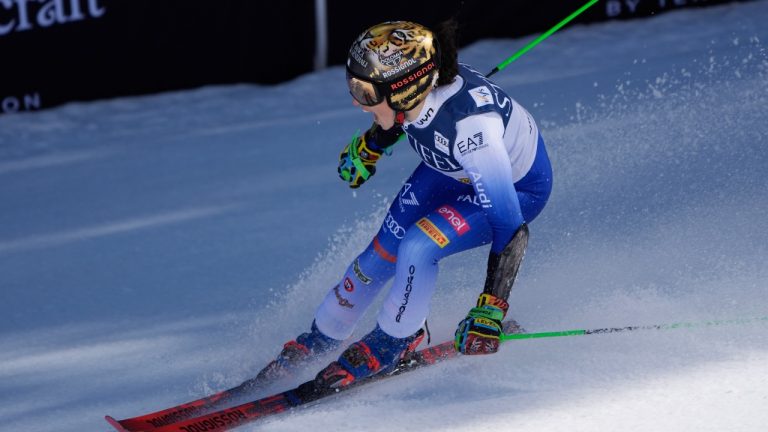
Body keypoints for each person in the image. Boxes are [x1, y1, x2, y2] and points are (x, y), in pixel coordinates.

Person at [257, 20, 552, 390]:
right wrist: (372, 146)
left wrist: (491, 309)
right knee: (384, 247)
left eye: (364, 92)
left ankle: (395, 339)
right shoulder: (411, 97)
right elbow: (406, 117)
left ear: (403, 90)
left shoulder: (475, 133)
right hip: (448, 167)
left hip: (514, 188)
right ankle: (324, 334)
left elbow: (511, 228)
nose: (355, 100)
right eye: (353, 86)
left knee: (418, 246)